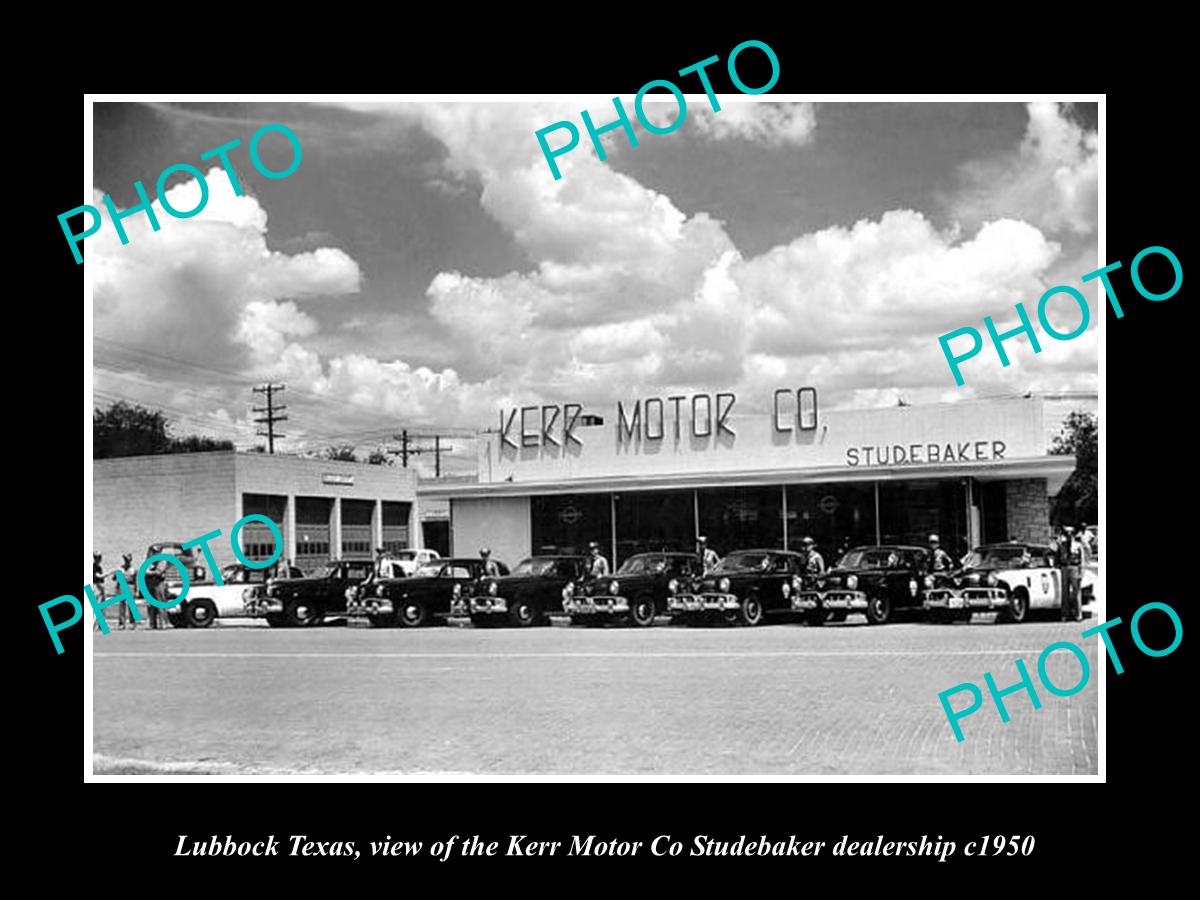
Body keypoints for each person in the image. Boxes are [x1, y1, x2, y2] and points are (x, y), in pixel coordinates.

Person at [1057, 526, 1084, 622]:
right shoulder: (1061, 545)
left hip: (1074, 567)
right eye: (1066, 534)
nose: (1069, 536)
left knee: (1076, 592)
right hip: (1064, 567)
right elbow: (1057, 557)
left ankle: (1078, 615)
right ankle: (1065, 615)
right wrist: (1059, 566)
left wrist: (1081, 572)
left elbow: (1082, 560)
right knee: (1065, 593)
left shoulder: (1078, 545)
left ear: (1073, 535)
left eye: (1070, 534)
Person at [114, 553, 138, 630]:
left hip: (130, 586)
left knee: (131, 606)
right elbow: (115, 579)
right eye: (125, 560)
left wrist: (136, 590)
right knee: (122, 606)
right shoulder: (120, 569)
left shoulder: (133, 570)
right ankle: (121, 623)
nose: (126, 561)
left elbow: (135, 581)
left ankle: (132, 622)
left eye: (128, 560)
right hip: (122, 586)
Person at [143, 559, 167, 630]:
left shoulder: (162, 562)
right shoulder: (151, 563)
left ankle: (163, 623)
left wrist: (150, 572)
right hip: (151, 584)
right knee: (151, 605)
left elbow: (158, 573)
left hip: (158, 584)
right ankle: (152, 624)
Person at [91, 552, 107, 631]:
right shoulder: (94, 567)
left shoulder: (98, 567)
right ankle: (93, 625)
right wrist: (111, 572)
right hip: (96, 587)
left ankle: (99, 625)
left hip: (99, 587)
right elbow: (99, 576)